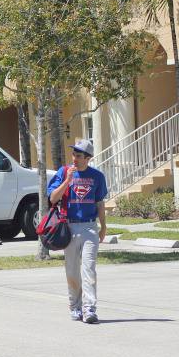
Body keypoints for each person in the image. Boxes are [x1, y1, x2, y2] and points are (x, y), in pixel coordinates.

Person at [46, 138, 108, 324]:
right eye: (73, 154)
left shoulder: (97, 176)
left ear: (88, 158)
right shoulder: (63, 172)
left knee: (89, 268)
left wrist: (103, 226)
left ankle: (90, 309)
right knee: (72, 271)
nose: (74, 158)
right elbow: (52, 198)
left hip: (89, 227)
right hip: (69, 227)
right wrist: (67, 181)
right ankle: (75, 307)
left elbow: (100, 203)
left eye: (79, 155)